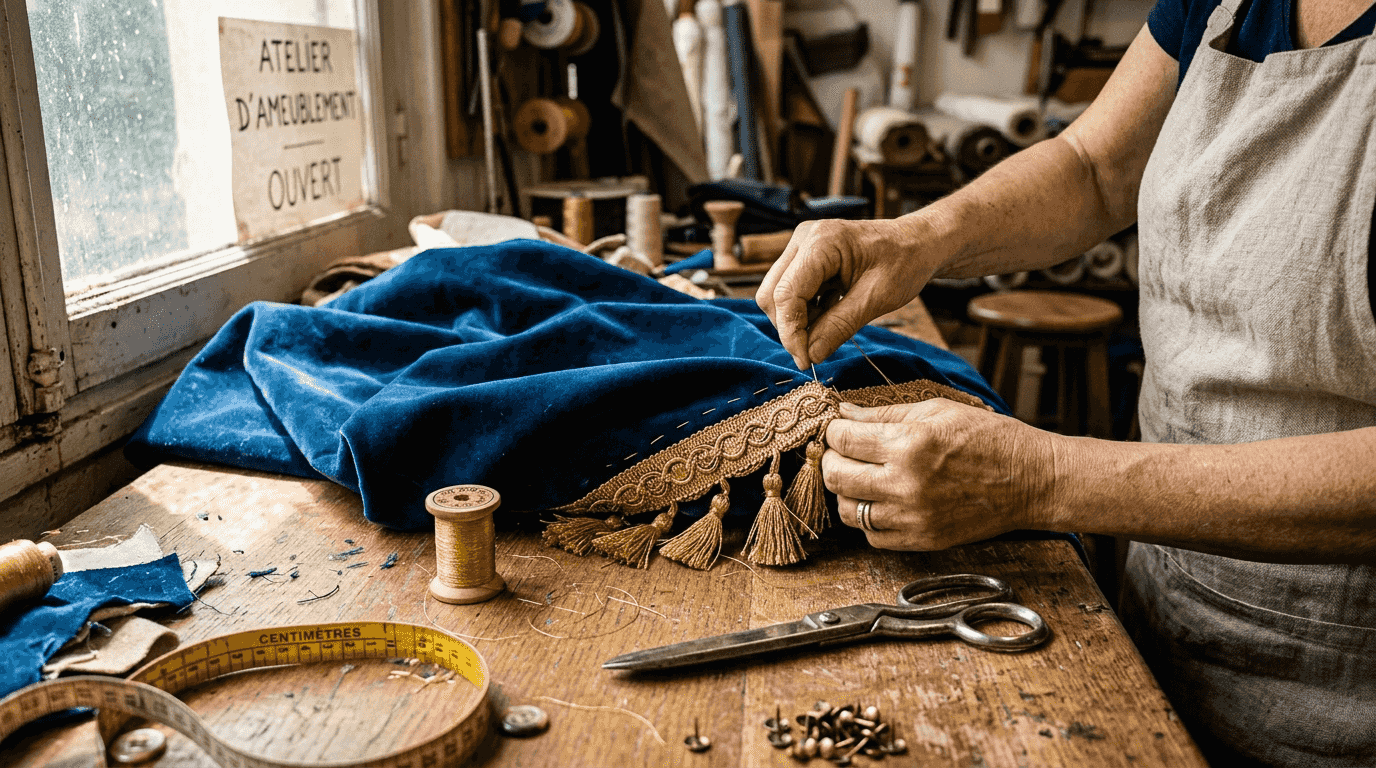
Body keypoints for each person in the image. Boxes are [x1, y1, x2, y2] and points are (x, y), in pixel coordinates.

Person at [755, 0, 1376, 763]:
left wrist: (1045, 478)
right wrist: (913, 238)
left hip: (1346, 697)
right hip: (1167, 613)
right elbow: (1094, 168)